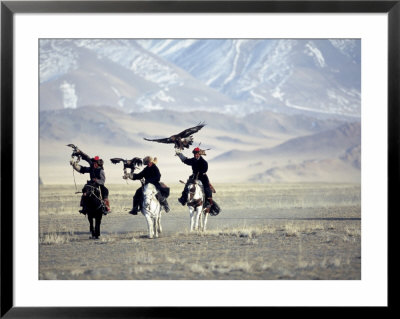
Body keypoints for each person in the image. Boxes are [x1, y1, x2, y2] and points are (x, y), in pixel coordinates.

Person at [70, 149, 111, 214]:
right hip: (91, 184)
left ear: (98, 164)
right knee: (85, 190)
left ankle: (106, 207)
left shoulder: (101, 171)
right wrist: (75, 165)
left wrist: (96, 180)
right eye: (94, 163)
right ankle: (83, 207)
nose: (94, 164)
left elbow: (102, 181)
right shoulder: (91, 168)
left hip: (98, 185)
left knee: (105, 191)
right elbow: (83, 169)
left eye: (95, 163)